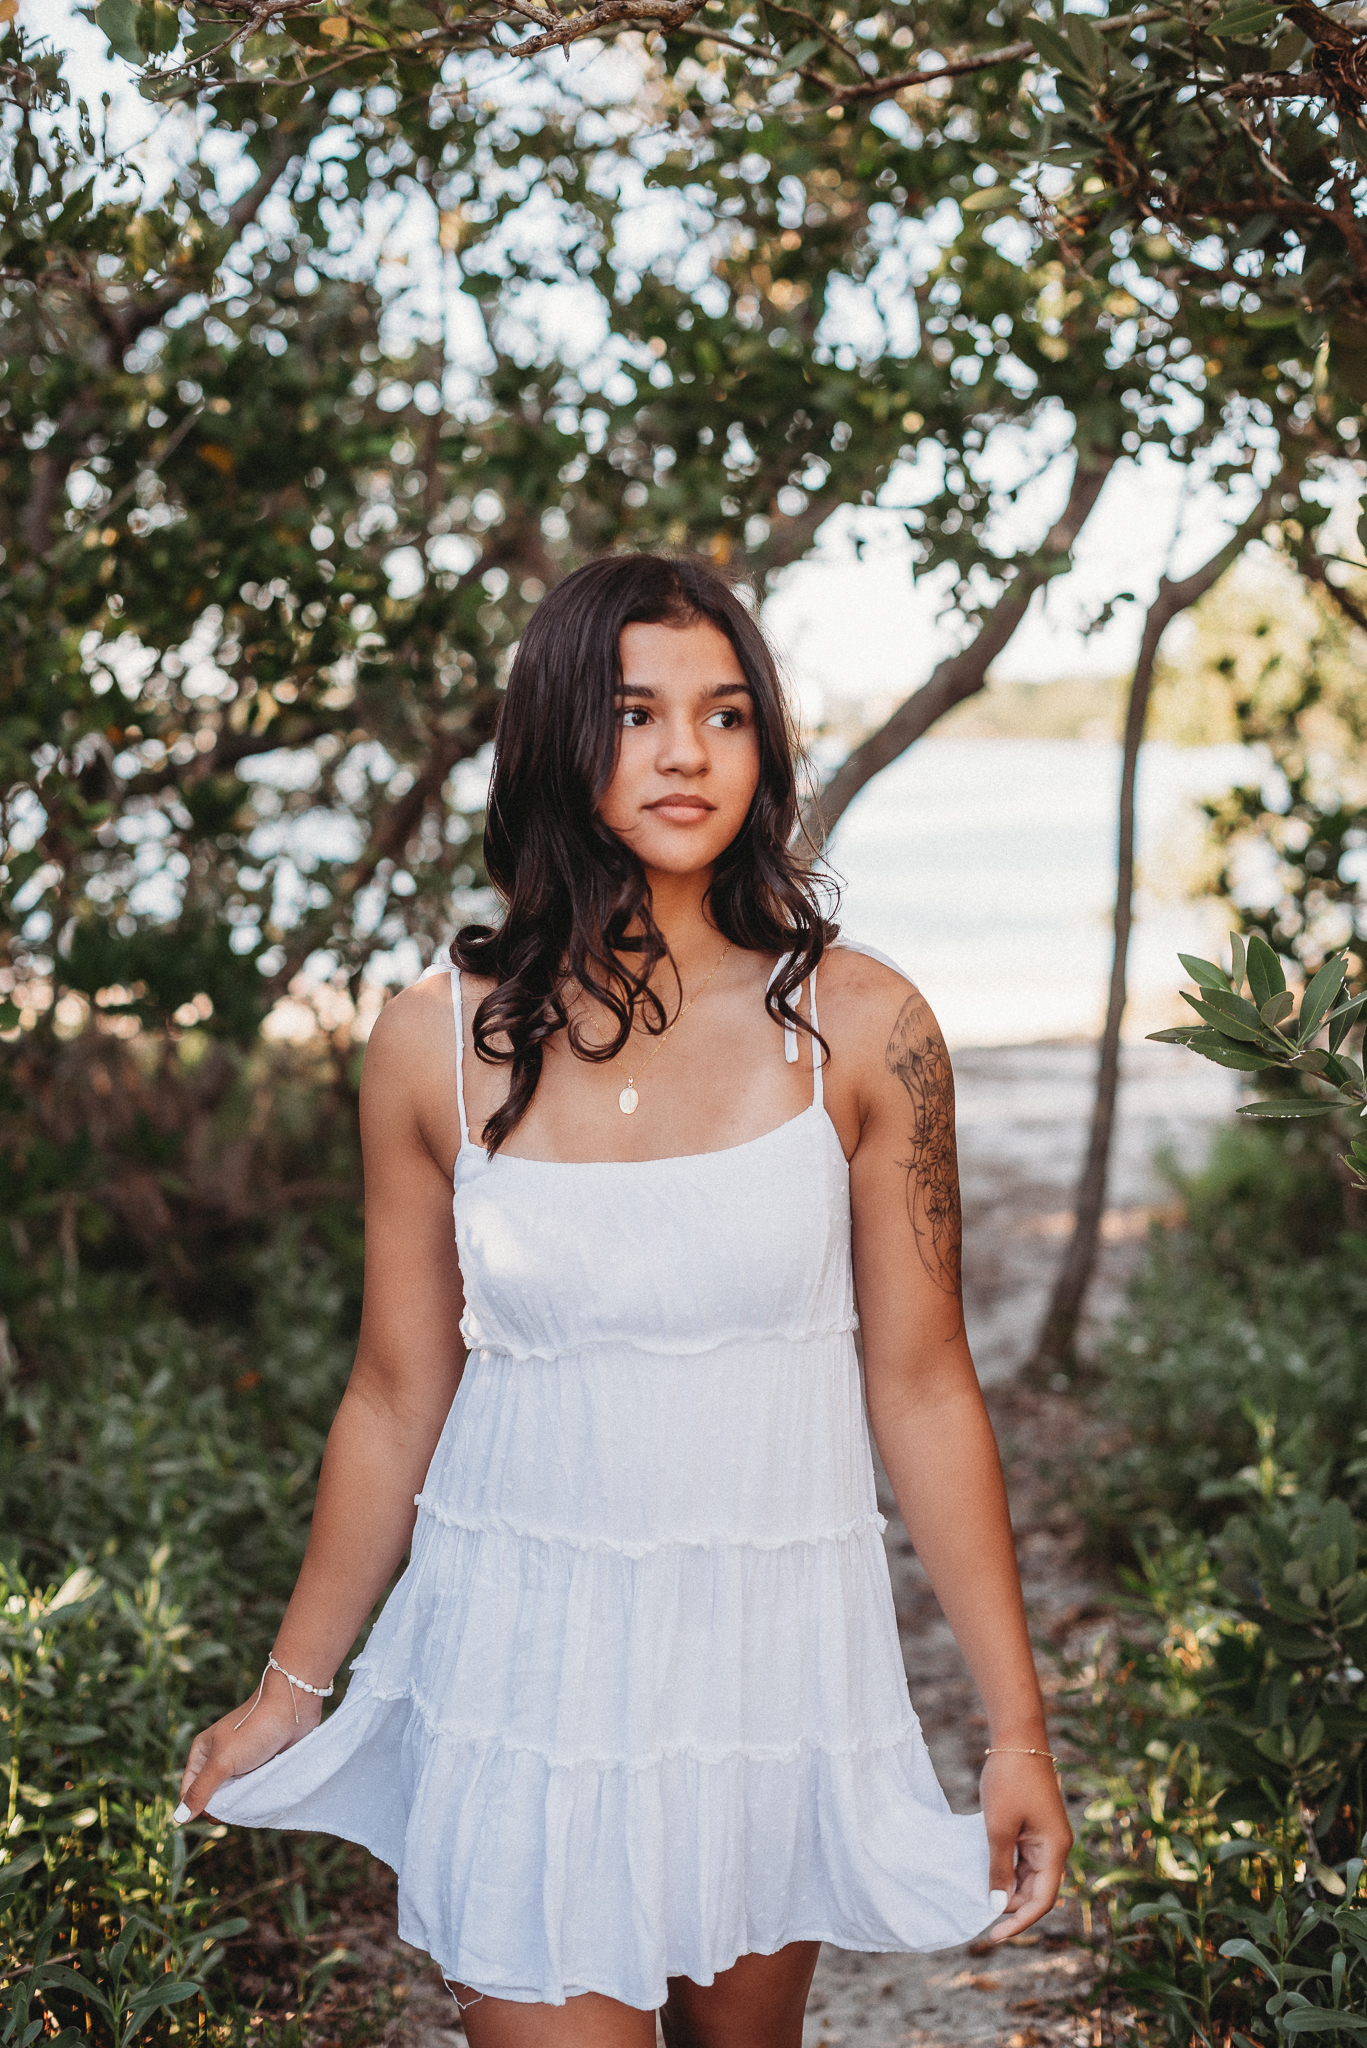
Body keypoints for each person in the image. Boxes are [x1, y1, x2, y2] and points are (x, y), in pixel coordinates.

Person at [177, 553, 1072, 2048]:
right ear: (554, 742)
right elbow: (399, 1392)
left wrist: (1018, 1731)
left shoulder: (861, 1028)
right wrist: (290, 1690)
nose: (683, 752)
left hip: (763, 1665)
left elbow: (922, 1386)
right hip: (521, 1663)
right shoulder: (431, 1045)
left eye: (724, 716)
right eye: (634, 712)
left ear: (764, 751)